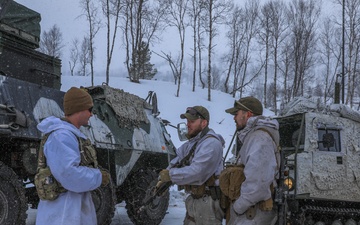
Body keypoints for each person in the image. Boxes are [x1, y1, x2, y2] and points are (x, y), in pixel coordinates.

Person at [35, 87, 110, 225]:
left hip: (69, 211)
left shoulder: (69, 134)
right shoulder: (61, 136)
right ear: (79, 109)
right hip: (63, 214)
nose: (91, 114)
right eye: (89, 110)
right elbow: (70, 175)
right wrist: (98, 176)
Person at [157, 106, 225, 225]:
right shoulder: (192, 143)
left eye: (192, 121)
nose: (188, 124)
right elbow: (177, 160)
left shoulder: (211, 143)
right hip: (195, 200)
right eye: (187, 121)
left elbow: (198, 173)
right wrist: (162, 180)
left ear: (204, 123)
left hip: (208, 203)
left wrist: (170, 175)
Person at [224, 96, 279, 225]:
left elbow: (258, 183)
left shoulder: (260, 138)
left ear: (247, 114)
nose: (234, 118)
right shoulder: (254, 136)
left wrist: (238, 206)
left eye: (236, 114)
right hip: (250, 213)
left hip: (252, 214)